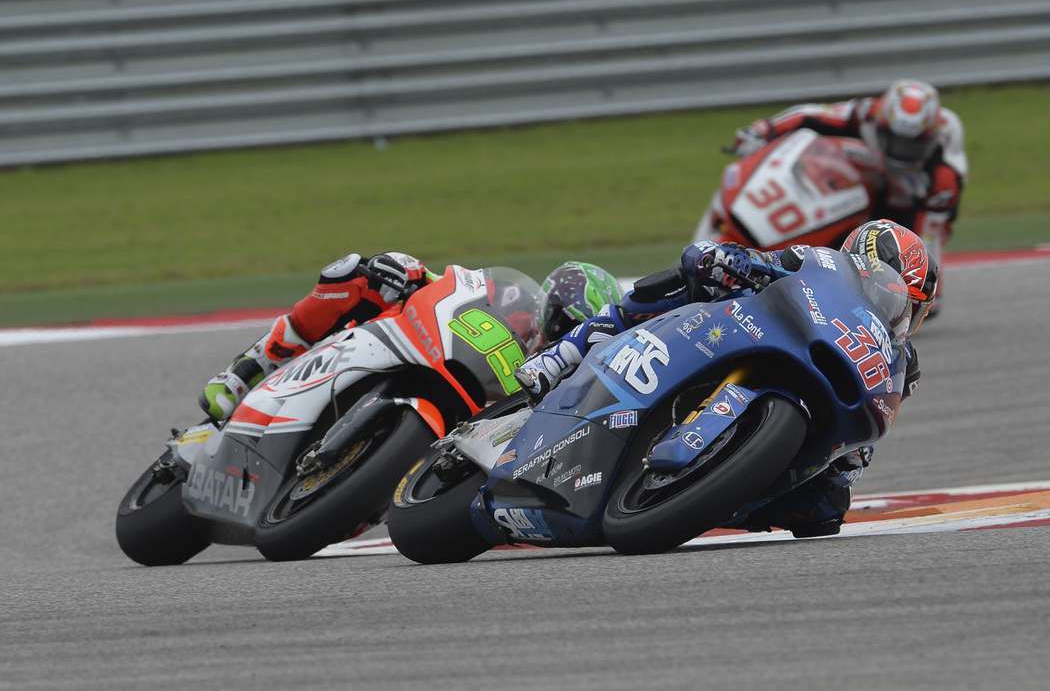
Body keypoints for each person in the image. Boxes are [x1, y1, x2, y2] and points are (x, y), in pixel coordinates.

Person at [513, 219, 938, 538]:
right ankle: (563, 355)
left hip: (813, 402)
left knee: (824, 513)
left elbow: (874, 424)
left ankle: (714, 491)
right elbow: (764, 261)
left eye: (913, 308)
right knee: (683, 282)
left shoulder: (903, 360)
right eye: (894, 294)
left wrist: (851, 459)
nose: (900, 311)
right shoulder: (817, 263)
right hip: (747, 325)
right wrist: (730, 260)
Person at [198, 255, 623, 422]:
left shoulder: (564, 382)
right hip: (425, 352)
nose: (561, 334)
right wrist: (411, 271)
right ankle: (249, 368)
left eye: (574, 330)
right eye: (562, 320)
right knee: (355, 276)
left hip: (464, 426)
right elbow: (456, 289)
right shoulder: (514, 303)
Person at [732, 79, 965, 285]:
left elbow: (932, 232)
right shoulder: (867, 112)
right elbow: (811, 114)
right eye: (894, 139)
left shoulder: (945, 174)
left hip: (917, 197)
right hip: (877, 174)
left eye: (912, 144)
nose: (901, 151)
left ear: (931, 136)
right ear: (882, 123)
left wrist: (926, 283)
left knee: (906, 260)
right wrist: (764, 129)